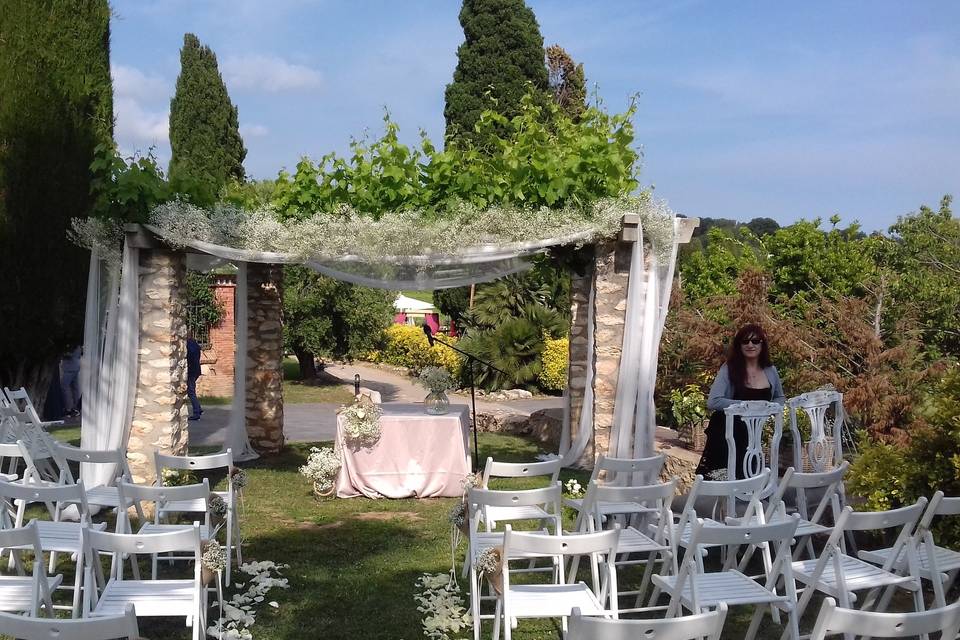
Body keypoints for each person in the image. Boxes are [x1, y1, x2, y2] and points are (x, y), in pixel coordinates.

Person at [695, 324, 786, 479]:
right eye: (745, 341)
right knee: (724, 480)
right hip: (726, 432)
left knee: (749, 477)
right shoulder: (729, 369)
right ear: (739, 345)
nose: (750, 345)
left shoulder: (770, 370)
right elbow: (713, 401)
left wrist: (768, 408)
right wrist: (746, 406)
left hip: (753, 434)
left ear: (762, 345)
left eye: (755, 341)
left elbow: (780, 397)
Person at [60, 345, 82, 418]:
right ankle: (76, 408)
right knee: (75, 388)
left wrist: (61, 353)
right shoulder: (78, 344)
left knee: (64, 387)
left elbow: (69, 354)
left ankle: (69, 408)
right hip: (75, 366)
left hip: (70, 367)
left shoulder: (73, 344)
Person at [186, 333, 203, 421]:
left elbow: (190, 356)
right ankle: (199, 409)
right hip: (196, 370)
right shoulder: (195, 344)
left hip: (191, 370)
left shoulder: (189, 345)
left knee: (191, 392)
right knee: (192, 391)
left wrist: (187, 363)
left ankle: (196, 413)